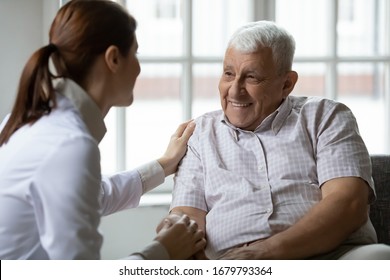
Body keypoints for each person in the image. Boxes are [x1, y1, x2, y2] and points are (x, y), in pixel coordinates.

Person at [166, 20, 390, 259]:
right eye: (229, 74)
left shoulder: (326, 116)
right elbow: (187, 216)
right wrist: (174, 228)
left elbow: (349, 203)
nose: (234, 90)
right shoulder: (199, 134)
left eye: (251, 77)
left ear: (287, 84)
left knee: (377, 258)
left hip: (333, 257)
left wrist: (267, 252)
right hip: (234, 264)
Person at [0, 0, 205, 260]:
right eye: (136, 54)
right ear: (114, 58)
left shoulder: (28, 122)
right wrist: (163, 251)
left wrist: (164, 165)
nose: (140, 68)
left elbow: (95, 195)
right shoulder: (69, 145)